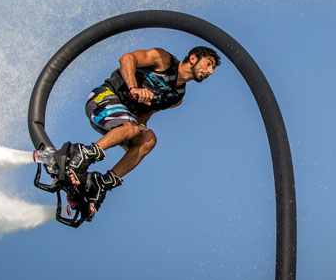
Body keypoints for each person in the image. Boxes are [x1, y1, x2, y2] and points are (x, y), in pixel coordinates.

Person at [63, 45, 220, 215]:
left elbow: (144, 116)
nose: (210, 72)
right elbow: (126, 58)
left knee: (148, 138)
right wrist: (133, 88)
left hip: (120, 122)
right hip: (102, 99)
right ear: (193, 58)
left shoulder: (177, 97)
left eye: (212, 68)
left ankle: (101, 183)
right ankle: (82, 155)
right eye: (208, 64)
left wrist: (138, 139)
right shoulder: (163, 60)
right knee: (131, 128)